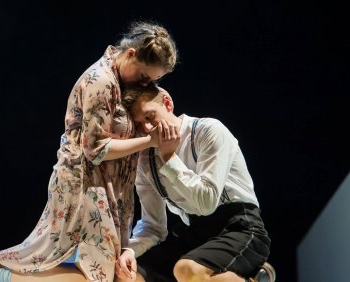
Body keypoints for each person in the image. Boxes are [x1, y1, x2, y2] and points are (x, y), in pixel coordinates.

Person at [0, 20, 178, 282]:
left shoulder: (123, 81)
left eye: (153, 81)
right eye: (144, 77)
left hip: (111, 186)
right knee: (96, 273)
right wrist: (149, 141)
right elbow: (95, 149)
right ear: (130, 54)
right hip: (86, 185)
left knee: (102, 271)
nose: (145, 84)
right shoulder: (100, 81)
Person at [115, 83, 275, 282]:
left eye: (150, 117)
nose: (147, 129)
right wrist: (130, 251)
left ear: (167, 103)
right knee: (130, 274)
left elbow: (206, 203)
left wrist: (169, 157)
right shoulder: (145, 161)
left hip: (241, 226)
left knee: (187, 270)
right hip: (196, 233)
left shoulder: (208, 130)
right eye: (139, 125)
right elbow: (153, 226)